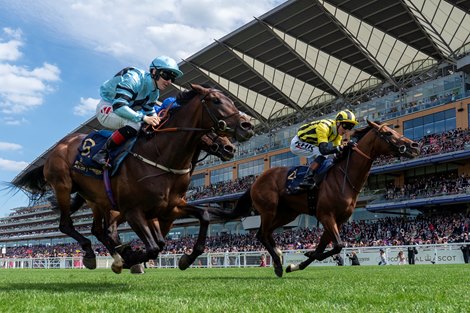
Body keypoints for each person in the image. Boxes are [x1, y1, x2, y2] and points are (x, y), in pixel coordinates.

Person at [92, 56, 184, 167]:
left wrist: (159, 122)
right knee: (136, 123)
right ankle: (102, 153)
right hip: (108, 106)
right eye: (166, 76)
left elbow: (150, 112)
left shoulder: (155, 93)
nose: (169, 81)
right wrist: (144, 118)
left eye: (172, 79)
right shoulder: (133, 78)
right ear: (154, 72)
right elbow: (119, 105)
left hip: (122, 108)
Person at [290, 109, 358, 189]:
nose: (347, 130)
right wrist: (343, 146)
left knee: (326, 156)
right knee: (322, 154)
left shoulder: (337, 134)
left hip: (311, 143)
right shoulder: (324, 127)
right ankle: (306, 179)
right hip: (298, 142)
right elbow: (324, 150)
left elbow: (338, 152)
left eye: (350, 127)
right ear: (338, 122)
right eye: (346, 126)